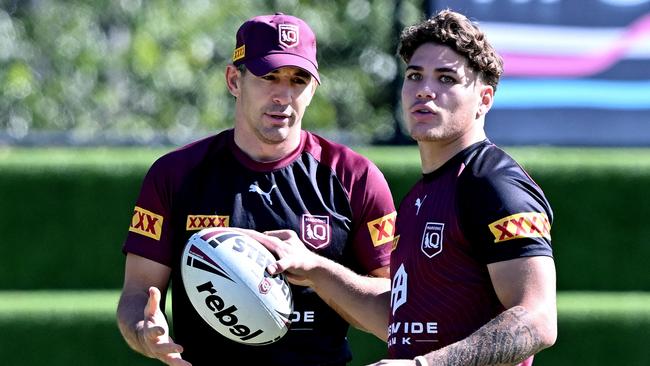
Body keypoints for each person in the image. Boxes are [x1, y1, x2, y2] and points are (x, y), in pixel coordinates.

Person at [249, 9, 557, 366]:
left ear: (484, 99)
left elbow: (538, 319)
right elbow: (400, 320)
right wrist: (315, 268)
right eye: (415, 76)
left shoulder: (493, 182)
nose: (425, 90)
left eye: (446, 79)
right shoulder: (419, 196)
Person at [116, 12, 396, 366]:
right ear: (234, 80)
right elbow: (137, 293)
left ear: (312, 89)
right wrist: (145, 330)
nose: (283, 95)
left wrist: (317, 270)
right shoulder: (175, 174)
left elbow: (394, 314)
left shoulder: (356, 177)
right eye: (269, 77)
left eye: (298, 80)